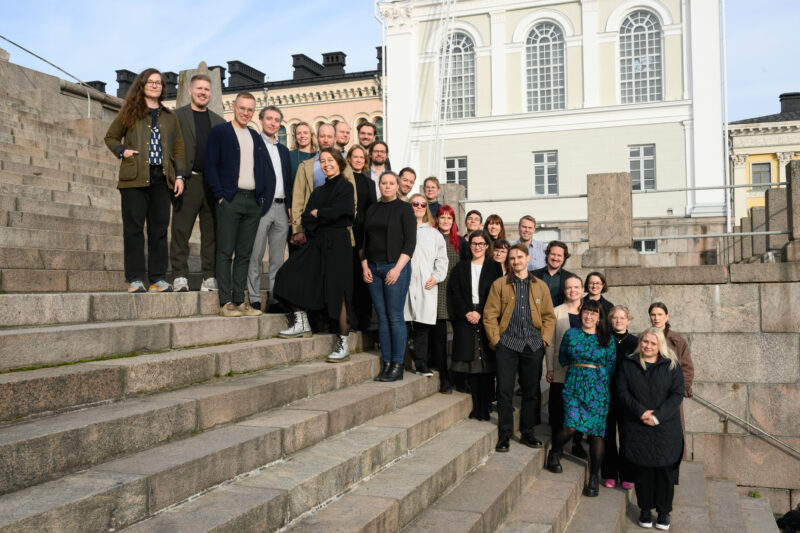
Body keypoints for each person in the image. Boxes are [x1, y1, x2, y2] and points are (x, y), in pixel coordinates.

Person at [105, 68, 186, 293]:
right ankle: (135, 279)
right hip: (134, 179)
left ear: (163, 88)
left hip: (162, 179)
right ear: (142, 85)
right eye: (150, 82)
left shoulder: (170, 116)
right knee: (133, 230)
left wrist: (180, 175)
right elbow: (111, 137)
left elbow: (179, 147)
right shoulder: (130, 111)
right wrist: (123, 151)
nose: (154, 85)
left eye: (158, 82)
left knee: (159, 231)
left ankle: (157, 278)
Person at [274, 148, 355, 362]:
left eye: (331, 160)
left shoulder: (346, 187)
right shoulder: (318, 191)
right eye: (323, 161)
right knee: (286, 275)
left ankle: (343, 342)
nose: (327, 164)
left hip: (339, 244)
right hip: (318, 241)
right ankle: (302, 322)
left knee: (339, 292)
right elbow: (307, 218)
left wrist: (320, 213)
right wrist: (322, 215)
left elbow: (346, 213)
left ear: (339, 162)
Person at [484, 243, 556, 452]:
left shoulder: (540, 286)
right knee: (504, 391)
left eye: (520, 257)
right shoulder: (499, 284)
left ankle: (527, 432)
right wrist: (496, 340)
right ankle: (504, 435)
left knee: (531, 391)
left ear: (527, 258)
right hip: (507, 344)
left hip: (533, 345)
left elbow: (549, 316)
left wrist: (544, 340)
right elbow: (489, 315)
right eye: (512, 258)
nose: (516, 261)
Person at [204, 92, 269, 317]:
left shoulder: (255, 136)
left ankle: (240, 301)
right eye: (242, 108)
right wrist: (219, 195)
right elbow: (210, 164)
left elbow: (262, 167)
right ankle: (226, 302)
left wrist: (262, 197)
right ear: (234, 107)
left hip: (252, 201)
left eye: (250, 110)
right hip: (230, 199)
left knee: (244, 253)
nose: (245, 113)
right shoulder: (220, 132)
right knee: (225, 251)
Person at [546, 299, 616, 499]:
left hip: (598, 390)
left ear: (599, 317)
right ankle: (555, 451)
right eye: (586, 312)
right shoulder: (571, 334)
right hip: (574, 387)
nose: (589, 316)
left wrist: (596, 378)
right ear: (580, 314)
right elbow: (563, 357)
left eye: (594, 313)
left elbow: (611, 365)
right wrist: (577, 371)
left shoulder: (607, 338)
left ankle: (594, 476)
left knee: (596, 434)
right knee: (571, 426)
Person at [617, 327, 684, 531]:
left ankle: (664, 512)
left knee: (665, 472)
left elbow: (677, 394)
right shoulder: (629, 363)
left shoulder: (671, 365)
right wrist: (641, 412)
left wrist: (657, 417)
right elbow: (622, 391)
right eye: (645, 341)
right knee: (643, 472)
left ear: (660, 345)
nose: (648, 346)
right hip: (638, 426)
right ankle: (645, 510)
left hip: (665, 428)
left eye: (653, 343)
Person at [170, 73, 224, 293]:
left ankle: (209, 277)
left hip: (211, 184)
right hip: (188, 180)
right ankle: (179, 276)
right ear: (190, 90)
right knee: (181, 230)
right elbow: (171, 148)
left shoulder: (219, 122)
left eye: (207, 89)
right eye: (199, 88)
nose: (203, 93)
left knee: (211, 233)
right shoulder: (177, 116)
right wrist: (177, 176)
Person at [362, 171, 416, 382]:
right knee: (382, 317)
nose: (387, 186)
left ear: (397, 185)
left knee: (395, 316)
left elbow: (410, 243)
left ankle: (397, 364)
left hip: (395, 267)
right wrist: (365, 266)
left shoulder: (405, 209)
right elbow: (364, 241)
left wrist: (397, 269)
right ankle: (386, 363)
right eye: (383, 183)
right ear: (380, 185)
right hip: (373, 269)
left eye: (391, 183)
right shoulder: (372, 209)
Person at [450, 231, 504, 421]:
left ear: (487, 246)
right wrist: (467, 312)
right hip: (466, 317)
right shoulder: (460, 268)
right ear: (469, 245)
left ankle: (485, 405)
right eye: (474, 243)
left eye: (481, 244)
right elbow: (455, 293)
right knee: (473, 364)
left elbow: (496, 293)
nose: (477, 247)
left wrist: (481, 312)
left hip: (487, 315)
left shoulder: (494, 267)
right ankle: (476, 406)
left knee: (487, 362)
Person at [247, 105, 292, 312]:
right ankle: (255, 297)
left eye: (276, 120)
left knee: (277, 259)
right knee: (255, 255)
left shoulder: (283, 150)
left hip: (282, 208)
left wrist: (289, 206)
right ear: (261, 120)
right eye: (269, 119)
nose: (273, 123)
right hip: (262, 206)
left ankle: (275, 298)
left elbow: (287, 180)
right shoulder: (254, 144)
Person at [404, 194, 449, 376]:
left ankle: (421, 363)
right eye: (415, 203)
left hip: (425, 284)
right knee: (403, 323)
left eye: (423, 204)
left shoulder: (434, 234)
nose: (419, 206)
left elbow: (442, 260)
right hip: (404, 282)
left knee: (422, 327)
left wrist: (436, 277)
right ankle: (401, 362)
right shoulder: (402, 229)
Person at [291, 123, 356, 247]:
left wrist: (344, 226)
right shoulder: (305, 166)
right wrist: (298, 229)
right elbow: (298, 200)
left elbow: (352, 201)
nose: (326, 140)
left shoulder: (345, 166)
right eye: (322, 136)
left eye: (329, 136)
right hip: (312, 229)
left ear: (335, 138)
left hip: (337, 229)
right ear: (317, 138)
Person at [544, 273, 587, 459]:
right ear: (564, 290)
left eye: (576, 287)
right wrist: (550, 368)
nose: (573, 290)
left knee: (580, 407)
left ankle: (577, 442)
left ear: (582, 290)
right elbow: (550, 343)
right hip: (561, 369)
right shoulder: (556, 312)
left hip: (584, 371)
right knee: (558, 408)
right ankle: (558, 444)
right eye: (569, 287)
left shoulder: (590, 311)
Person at [648, 301, 695, 461]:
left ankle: (673, 462)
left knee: (672, 430)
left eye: (660, 314)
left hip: (671, 394)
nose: (656, 318)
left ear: (666, 316)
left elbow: (687, 368)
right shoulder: (642, 338)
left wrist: (681, 390)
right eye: (653, 314)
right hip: (648, 393)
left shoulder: (677, 341)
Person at [603, 305, 638, 490]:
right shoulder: (603, 339)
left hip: (627, 396)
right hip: (606, 394)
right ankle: (610, 473)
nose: (618, 321)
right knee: (608, 435)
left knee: (627, 436)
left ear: (628, 320)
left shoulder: (635, 342)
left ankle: (627, 474)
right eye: (615, 318)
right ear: (610, 320)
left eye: (622, 318)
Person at [347, 145, 377, 330]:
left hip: (363, 232)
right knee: (349, 275)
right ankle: (349, 318)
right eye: (355, 156)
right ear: (349, 159)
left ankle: (364, 319)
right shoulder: (344, 179)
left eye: (361, 157)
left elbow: (373, 208)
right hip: (347, 230)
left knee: (363, 274)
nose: (358, 160)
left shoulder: (370, 183)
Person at [432, 204, 461, 393]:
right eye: (442, 217)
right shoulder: (432, 238)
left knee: (460, 338)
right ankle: (443, 378)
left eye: (449, 218)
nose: (445, 221)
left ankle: (458, 376)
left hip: (455, 294)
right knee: (440, 339)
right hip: (437, 293)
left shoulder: (459, 241)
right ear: (437, 219)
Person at [532, 241, 574, 307]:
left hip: (560, 313)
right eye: (553, 254)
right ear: (547, 255)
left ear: (564, 258)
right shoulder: (533, 275)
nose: (555, 258)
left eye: (559, 255)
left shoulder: (571, 278)